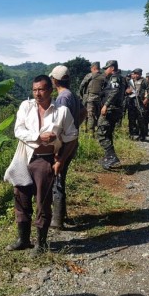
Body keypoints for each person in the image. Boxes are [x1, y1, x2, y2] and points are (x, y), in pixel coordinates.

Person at [3, 75, 78, 256]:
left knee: (42, 202)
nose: (38, 93)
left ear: (50, 90)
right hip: (24, 157)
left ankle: (41, 243)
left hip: (45, 160)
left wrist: (60, 161)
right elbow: (18, 130)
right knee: (20, 197)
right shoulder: (25, 106)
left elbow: (72, 137)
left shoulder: (62, 111)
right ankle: (23, 239)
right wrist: (38, 137)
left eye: (42, 89)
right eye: (35, 90)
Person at [49, 65, 85, 229]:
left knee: (57, 179)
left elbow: (59, 124)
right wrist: (75, 127)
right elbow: (84, 112)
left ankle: (57, 220)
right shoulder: (73, 95)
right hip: (72, 142)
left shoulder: (62, 98)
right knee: (60, 178)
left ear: (55, 80)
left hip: (64, 144)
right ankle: (61, 215)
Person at [96, 60, 126, 170]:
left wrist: (106, 105)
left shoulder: (115, 78)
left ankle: (112, 157)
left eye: (107, 68)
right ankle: (109, 157)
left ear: (112, 68)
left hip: (110, 109)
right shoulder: (121, 78)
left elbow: (114, 91)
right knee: (108, 134)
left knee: (101, 133)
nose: (106, 71)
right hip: (115, 109)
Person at [126, 68, 149, 141]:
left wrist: (146, 99)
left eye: (137, 74)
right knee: (131, 119)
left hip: (140, 102)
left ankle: (142, 136)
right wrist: (127, 91)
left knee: (141, 119)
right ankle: (131, 134)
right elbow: (126, 90)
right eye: (135, 73)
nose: (136, 75)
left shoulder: (144, 81)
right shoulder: (130, 81)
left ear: (140, 74)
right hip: (131, 101)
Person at [80, 62, 104, 137]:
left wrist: (82, 95)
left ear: (93, 68)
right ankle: (98, 130)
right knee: (98, 115)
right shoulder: (104, 76)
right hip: (100, 99)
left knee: (89, 115)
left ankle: (90, 132)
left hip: (90, 98)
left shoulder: (90, 75)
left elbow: (82, 85)